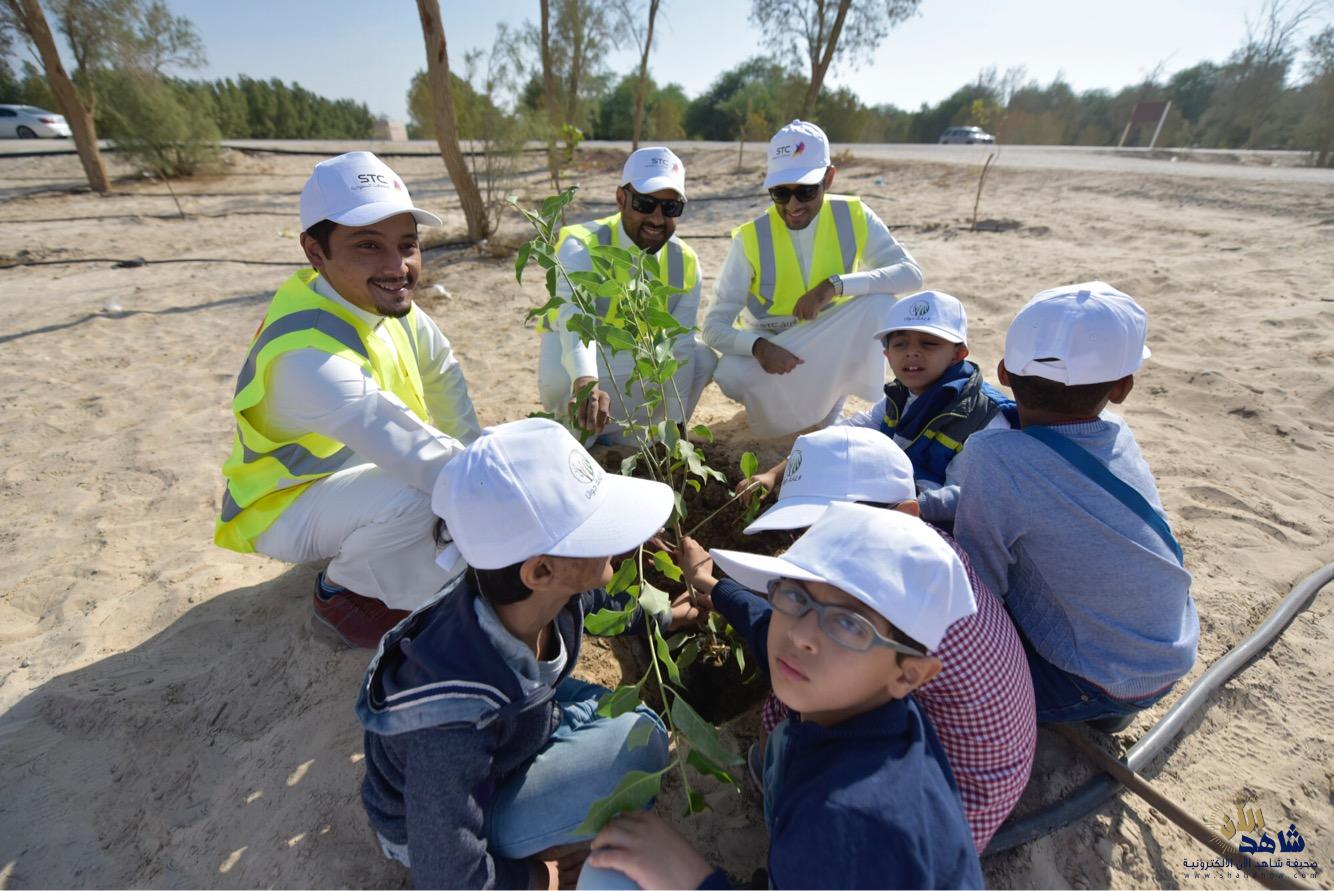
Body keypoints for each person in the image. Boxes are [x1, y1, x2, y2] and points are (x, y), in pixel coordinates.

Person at [357, 418, 701, 889]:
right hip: (427, 828)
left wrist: (662, 617)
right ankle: (522, 843)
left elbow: (597, 600)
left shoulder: (531, 597)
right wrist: (540, 877)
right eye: (598, 531)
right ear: (540, 571)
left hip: (517, 723)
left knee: (628, 720)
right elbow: (446, 877)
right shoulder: (451, 722)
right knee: (640, 747)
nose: (620, 542)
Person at [584, 504, 984, 889]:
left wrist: (693, 880)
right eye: (795, 596)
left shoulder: (843, 816)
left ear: (910, 674)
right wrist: (713, 586)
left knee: (607, 880)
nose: (800, 634)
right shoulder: (884, 711)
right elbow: (765, 626)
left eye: (849, 624)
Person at [214, 151, 482, 648]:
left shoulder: (384, 305)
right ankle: (343, 595)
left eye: (407, 245)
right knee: (425, 499)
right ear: (315, 251)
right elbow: (423, 459)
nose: (397, 267)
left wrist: (479, 465)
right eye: (368, 245)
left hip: (352, 478)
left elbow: (445, 381)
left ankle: (380, 548)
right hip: (284, 505)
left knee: (480, 462)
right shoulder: (307, 357)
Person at [731, 425, 1035, 853]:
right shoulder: (930, 559)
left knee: (787, 719)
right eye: (807, 531)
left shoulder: (901, 611)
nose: (821, 547)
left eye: (840, 528)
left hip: (945, 817)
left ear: (906, 514)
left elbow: (796, 690)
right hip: (984, 766)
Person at [952, 281, 1198, 728]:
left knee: (918, 671)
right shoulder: (1119, 433)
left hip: (1095, 679)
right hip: (1167, 653)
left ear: (1004, 373)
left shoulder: (995, 456)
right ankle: (1105, 712)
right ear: (1122, 388)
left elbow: (978, 586)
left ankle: (1086, 705)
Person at [701, 120, 924, 437]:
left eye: (806, 191)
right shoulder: (751, 237)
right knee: (730, 373)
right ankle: (792, 410)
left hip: (830, 339)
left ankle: (833, 403)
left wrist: (833, 286)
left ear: (828, 179)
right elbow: (712, 328)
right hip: (776, 345)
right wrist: (759, 347)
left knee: (880, 303)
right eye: (781, 193)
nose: (793, 205)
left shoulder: (853, 215)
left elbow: (911, 274)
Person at [741, 290, 1016, 523]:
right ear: (887, 354)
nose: (912, 352)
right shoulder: (899, 397)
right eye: (900, 344)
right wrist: (773, 474)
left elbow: (965, 499)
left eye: (929, 343)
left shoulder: (982, 418)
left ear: (958, 354)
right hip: (901, 508)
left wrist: (889, 511)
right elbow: (840, 437)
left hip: (939, 526)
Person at [537, 146, 717, 443]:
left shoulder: (685, 260)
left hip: (638, 357)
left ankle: (644, 438)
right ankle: (578, 435)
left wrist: (676, 428)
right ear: (621, 198)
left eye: (670, 208)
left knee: (702, 359)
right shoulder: (581, 244)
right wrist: (585, 381)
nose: (657, 219)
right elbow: (575, 319)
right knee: (559, 374)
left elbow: (681, 345)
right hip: (586, 358)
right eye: (645, 203)